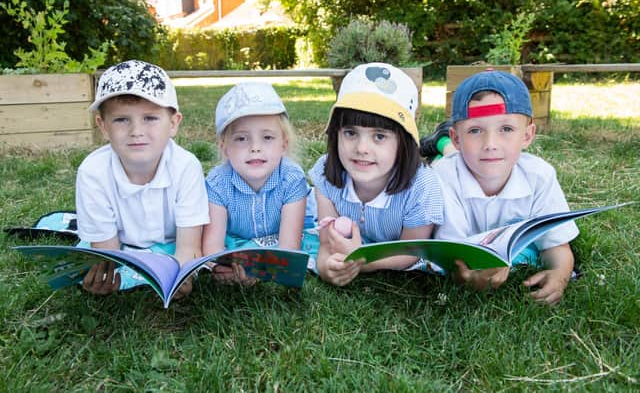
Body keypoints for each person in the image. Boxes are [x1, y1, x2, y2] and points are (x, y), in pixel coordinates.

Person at [425, 69, 578, 305]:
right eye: (475, 130)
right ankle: (441, 142)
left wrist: (559, 276)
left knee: (462, 157)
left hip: (462, 156)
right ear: (458, 137)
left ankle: (440, 142)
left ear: (527, 135)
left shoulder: (540, 175)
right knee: (446, 161)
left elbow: (557, 245)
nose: (491, 144)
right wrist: (466, 277)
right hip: (451, 161)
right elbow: (454, 256)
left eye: (506, 129)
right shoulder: (441, 176)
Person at [76, 60, 210, 296]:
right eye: (121, 120)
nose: (136, 131)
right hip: (122, 246)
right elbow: (108, 253)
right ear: (103, 126)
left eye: (149, 118)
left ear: (173, 123)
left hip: (173, 244)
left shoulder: (186, 166)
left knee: (206, 255)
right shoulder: (93, 172)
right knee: (89, 268)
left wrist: (180, 275)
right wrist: (106, 276)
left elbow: (189, 247)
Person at [309, 62, 444, 287]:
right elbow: (327, 242)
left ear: (404, 142)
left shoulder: (423, 186)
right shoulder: (326, 174)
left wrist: (364, 262)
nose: (362, 148)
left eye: (379, 136)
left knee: (447, 163)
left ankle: (442, 145)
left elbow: (411, 250)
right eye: (350, 133)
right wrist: (325, 265)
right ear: (336, 135)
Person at [202, 82, 309, 285]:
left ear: (283, 145)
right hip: (236, 240)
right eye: (242, 139)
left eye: (267, 137)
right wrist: (221, 269)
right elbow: (212, 247)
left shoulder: (292, 179)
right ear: (225, 148)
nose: (255, 148)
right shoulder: (217, 183)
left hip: (277, 240)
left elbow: (289, 248)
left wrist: (262, 272)